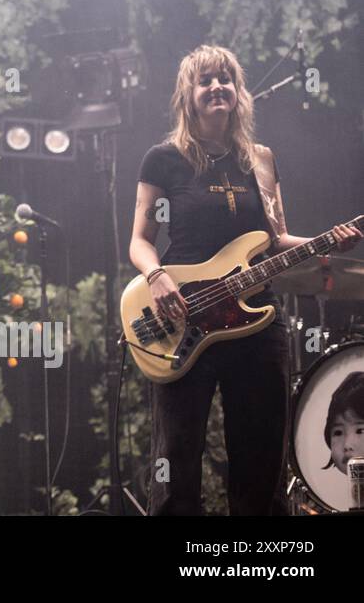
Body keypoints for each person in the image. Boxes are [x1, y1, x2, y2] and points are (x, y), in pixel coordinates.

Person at [129, 44, 360, 515]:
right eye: (205, 80)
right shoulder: (164, 159)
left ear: (238, 92)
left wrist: (327, 240)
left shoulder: (261, 160)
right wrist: (155, 276)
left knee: (261, 460)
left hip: (256, 323)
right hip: (184, 316)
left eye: (225, 79)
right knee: (178, 460)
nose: (217, 87)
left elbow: (274, 240)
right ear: (188, 95)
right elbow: (139, 239)